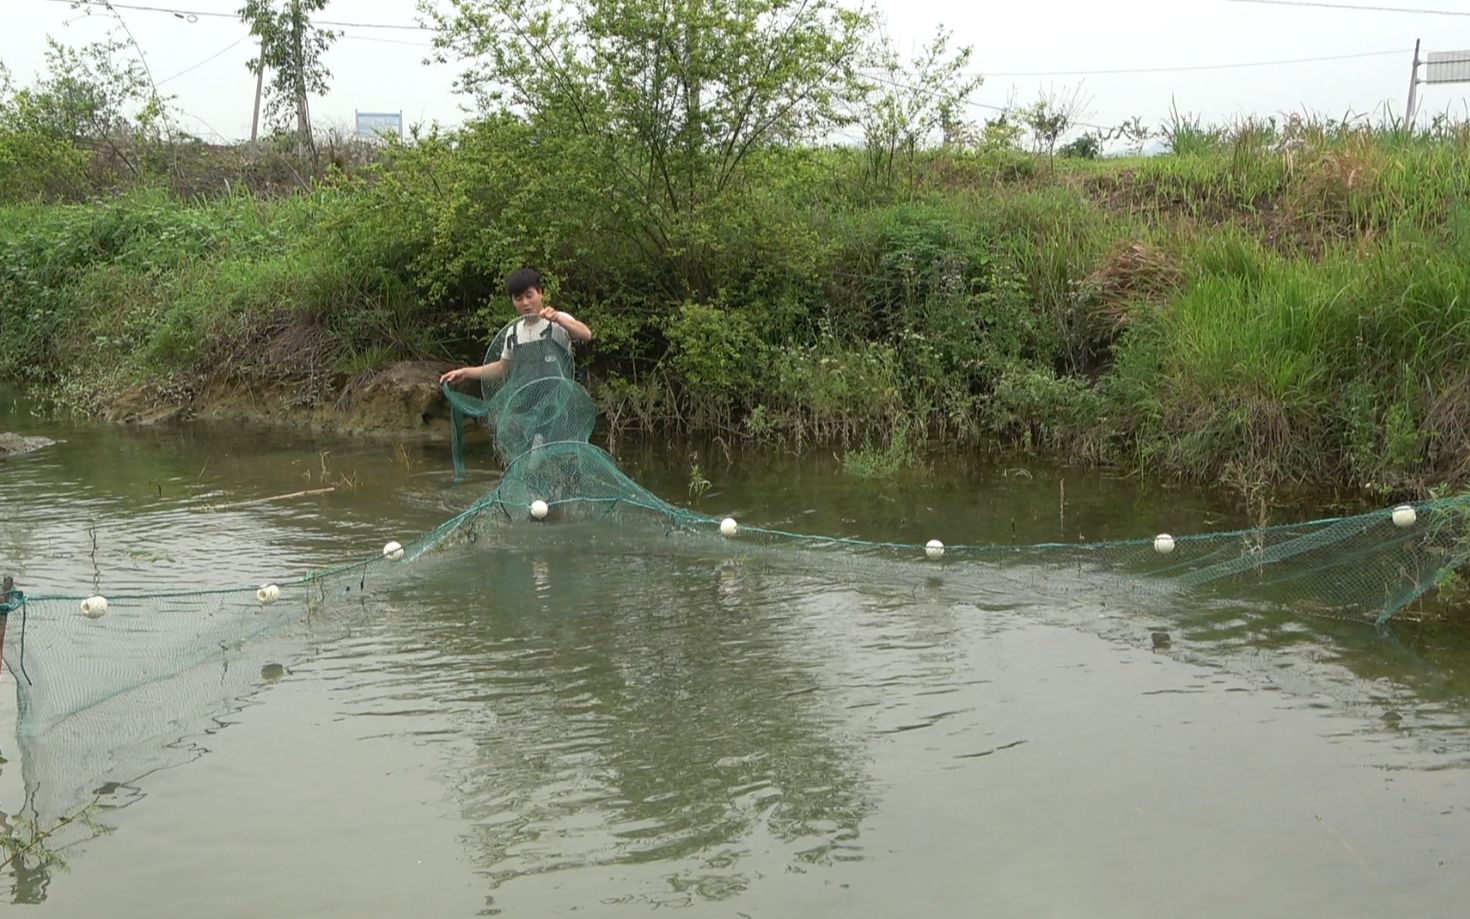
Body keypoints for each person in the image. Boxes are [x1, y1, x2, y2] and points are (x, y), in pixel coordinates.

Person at [439, 268, 593, 387]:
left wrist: (559, 319)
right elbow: (502, 368)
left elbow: (586, 334)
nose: (525, 303)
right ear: (512, 301)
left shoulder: (557, 320)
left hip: (558, 410)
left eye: (529, 295)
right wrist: (465, 372)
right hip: (525, 413)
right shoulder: (513, 333)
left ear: (540, 293)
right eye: (518, 298)